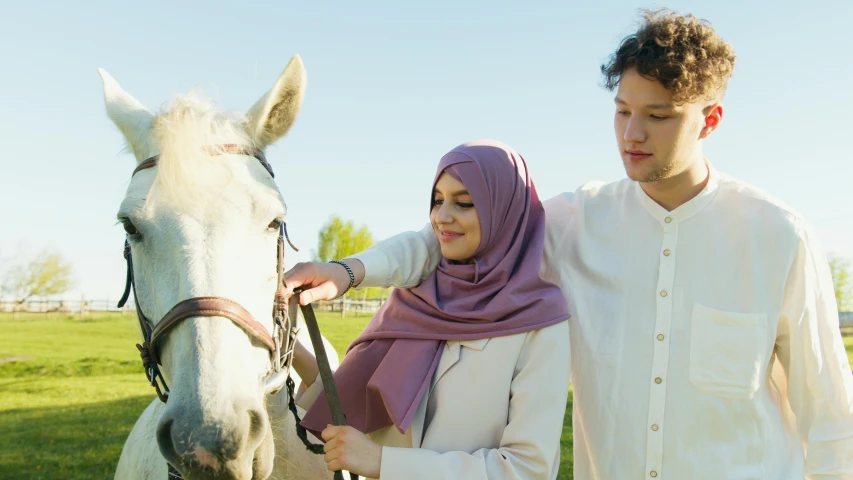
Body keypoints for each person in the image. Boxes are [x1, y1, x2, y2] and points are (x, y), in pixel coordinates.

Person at [286, 9, 853, 480]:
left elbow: (830, 415)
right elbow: (453, 234)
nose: (632, 134)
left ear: (711, 121)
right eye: (622, 111)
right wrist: (349, 270)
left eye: (658, 116)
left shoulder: (779, 236)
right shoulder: (572, 222)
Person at [291, 140, 572, 479]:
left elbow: (528, 469)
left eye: (465, 203)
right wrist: (284, 343)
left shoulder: (540, 323)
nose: (442, 217)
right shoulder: (417, 300)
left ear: (503, 213)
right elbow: (359, 399)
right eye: (438, 200)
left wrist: (383, 463)